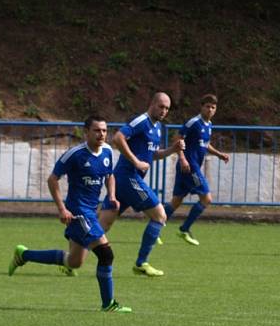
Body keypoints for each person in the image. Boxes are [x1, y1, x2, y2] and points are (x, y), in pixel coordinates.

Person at [8, 116, 132, 313]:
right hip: (78, 212)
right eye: (97, 130)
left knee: (74, 262)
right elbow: (52, 179)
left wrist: (112, 195)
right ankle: (108, 304)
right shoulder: (74, 155)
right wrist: (62, 209)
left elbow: (110, 175)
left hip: (91, 211)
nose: (101, 134)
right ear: (86, 132)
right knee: (106, 254)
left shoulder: (107, 151)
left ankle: (24, 254)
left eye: (104, 131)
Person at [98, 92, 185, 277]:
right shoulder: (141, 121)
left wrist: (172, 150)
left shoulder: (158, 127)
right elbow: (118, 138)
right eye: (161, 106)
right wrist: (136, 162)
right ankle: (141, 263)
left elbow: (152, 154)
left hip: (124, 180)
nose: (164, 111)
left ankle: (70, 260)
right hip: (129, 177)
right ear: (152, 104)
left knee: (101, 225)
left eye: (167, 108)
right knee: (160, 216)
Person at [163, 94, 230, 245]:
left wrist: (219, 154)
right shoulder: (193, 122)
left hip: (188, 167)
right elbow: (177, 139)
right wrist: (182, 158)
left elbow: (205, 144)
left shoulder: (209, 125)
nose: (210, 110)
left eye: (213, 107)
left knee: (176, 201)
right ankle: (184, 229)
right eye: (207, 106)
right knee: (206, 198)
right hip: (189, 166)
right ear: (201, 106)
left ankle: (155, 227)